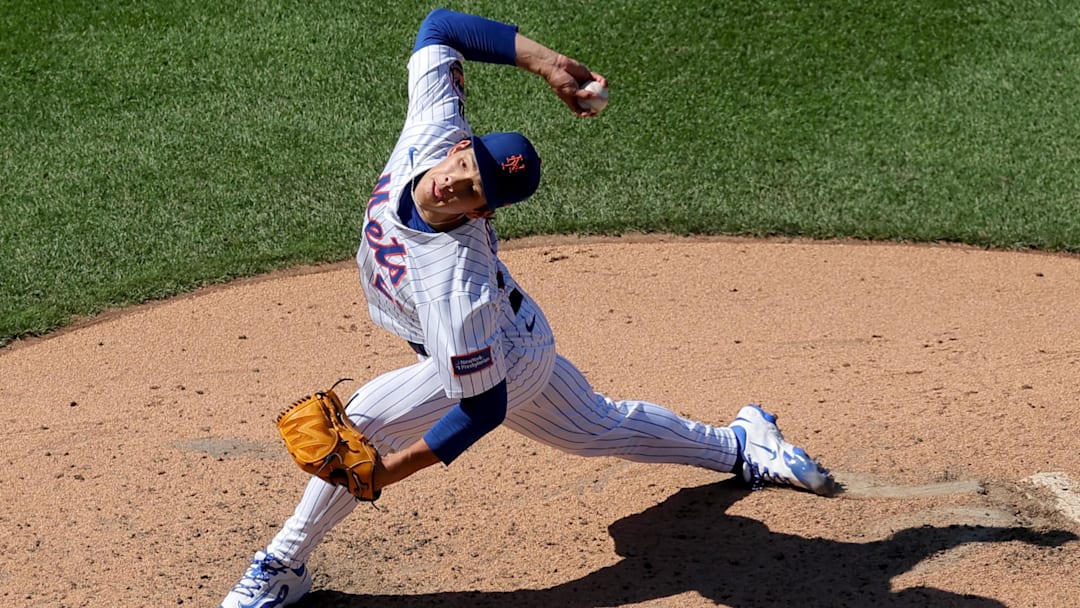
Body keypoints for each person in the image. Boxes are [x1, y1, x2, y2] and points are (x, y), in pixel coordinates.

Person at [219, 8, 835, 608]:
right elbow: (440, 27)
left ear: (481, 213)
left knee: (363, 429)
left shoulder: (456, 287)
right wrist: (548, 64)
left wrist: (387, 473)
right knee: (598, 427)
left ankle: (280, 568)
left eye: (473, 189)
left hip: (500, 361)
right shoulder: (434, 134)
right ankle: (743, 444)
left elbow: (483, 406)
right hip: (514, 335)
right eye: (465, 163)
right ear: (462, 145)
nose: (452, 181)